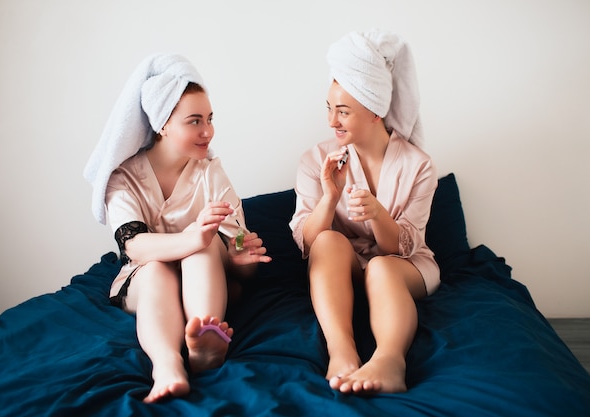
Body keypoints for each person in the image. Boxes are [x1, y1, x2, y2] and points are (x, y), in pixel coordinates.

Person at [84, 53, 271, 403]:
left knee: (204, 248)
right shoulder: (123, 179)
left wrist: (239, 258)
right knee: (157, 268)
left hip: (206, 278)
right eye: (195, 121)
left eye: (210, 119)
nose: (208, 132)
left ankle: (204, 336)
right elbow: (134, 247)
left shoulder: (209, 171)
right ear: (162, 125)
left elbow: (237, 238)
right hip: (147, 278)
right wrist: (191, 237)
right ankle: (167, 365)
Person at [289, 29, 440, 395]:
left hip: (403, 266)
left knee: (381, 267)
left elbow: (399, 248)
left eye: (343, 111)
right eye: (329, 108)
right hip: (342, 267)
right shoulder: (315, 160)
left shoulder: (418, 165)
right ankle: (342, 351)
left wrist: (378, 214)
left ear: (375, 112)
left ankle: (390, 361)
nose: (331, 121)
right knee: (328, 241)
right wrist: (330, 195)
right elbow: (307, 243)